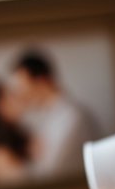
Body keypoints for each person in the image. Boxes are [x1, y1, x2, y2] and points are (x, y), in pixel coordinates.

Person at [10, 50, 99, 179]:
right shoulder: (48, 119)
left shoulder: (73, 117)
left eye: (24, 87)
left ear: (42, 81)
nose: (23, 95)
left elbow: (51, 173)